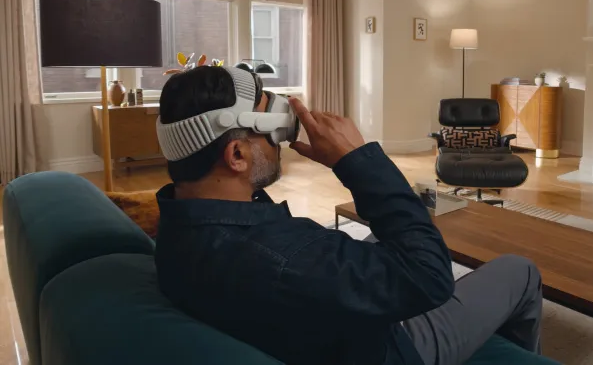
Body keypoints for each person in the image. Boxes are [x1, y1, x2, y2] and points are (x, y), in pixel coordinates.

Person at [154, 65, 543, 365]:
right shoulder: (284, 258)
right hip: (389, 346)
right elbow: (430, 277)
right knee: (520, 270)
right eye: (271, 132)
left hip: (323, 321)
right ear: (237, 155)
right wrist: (358, 161)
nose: (281, 144)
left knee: (382, 236)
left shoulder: (177, 228)